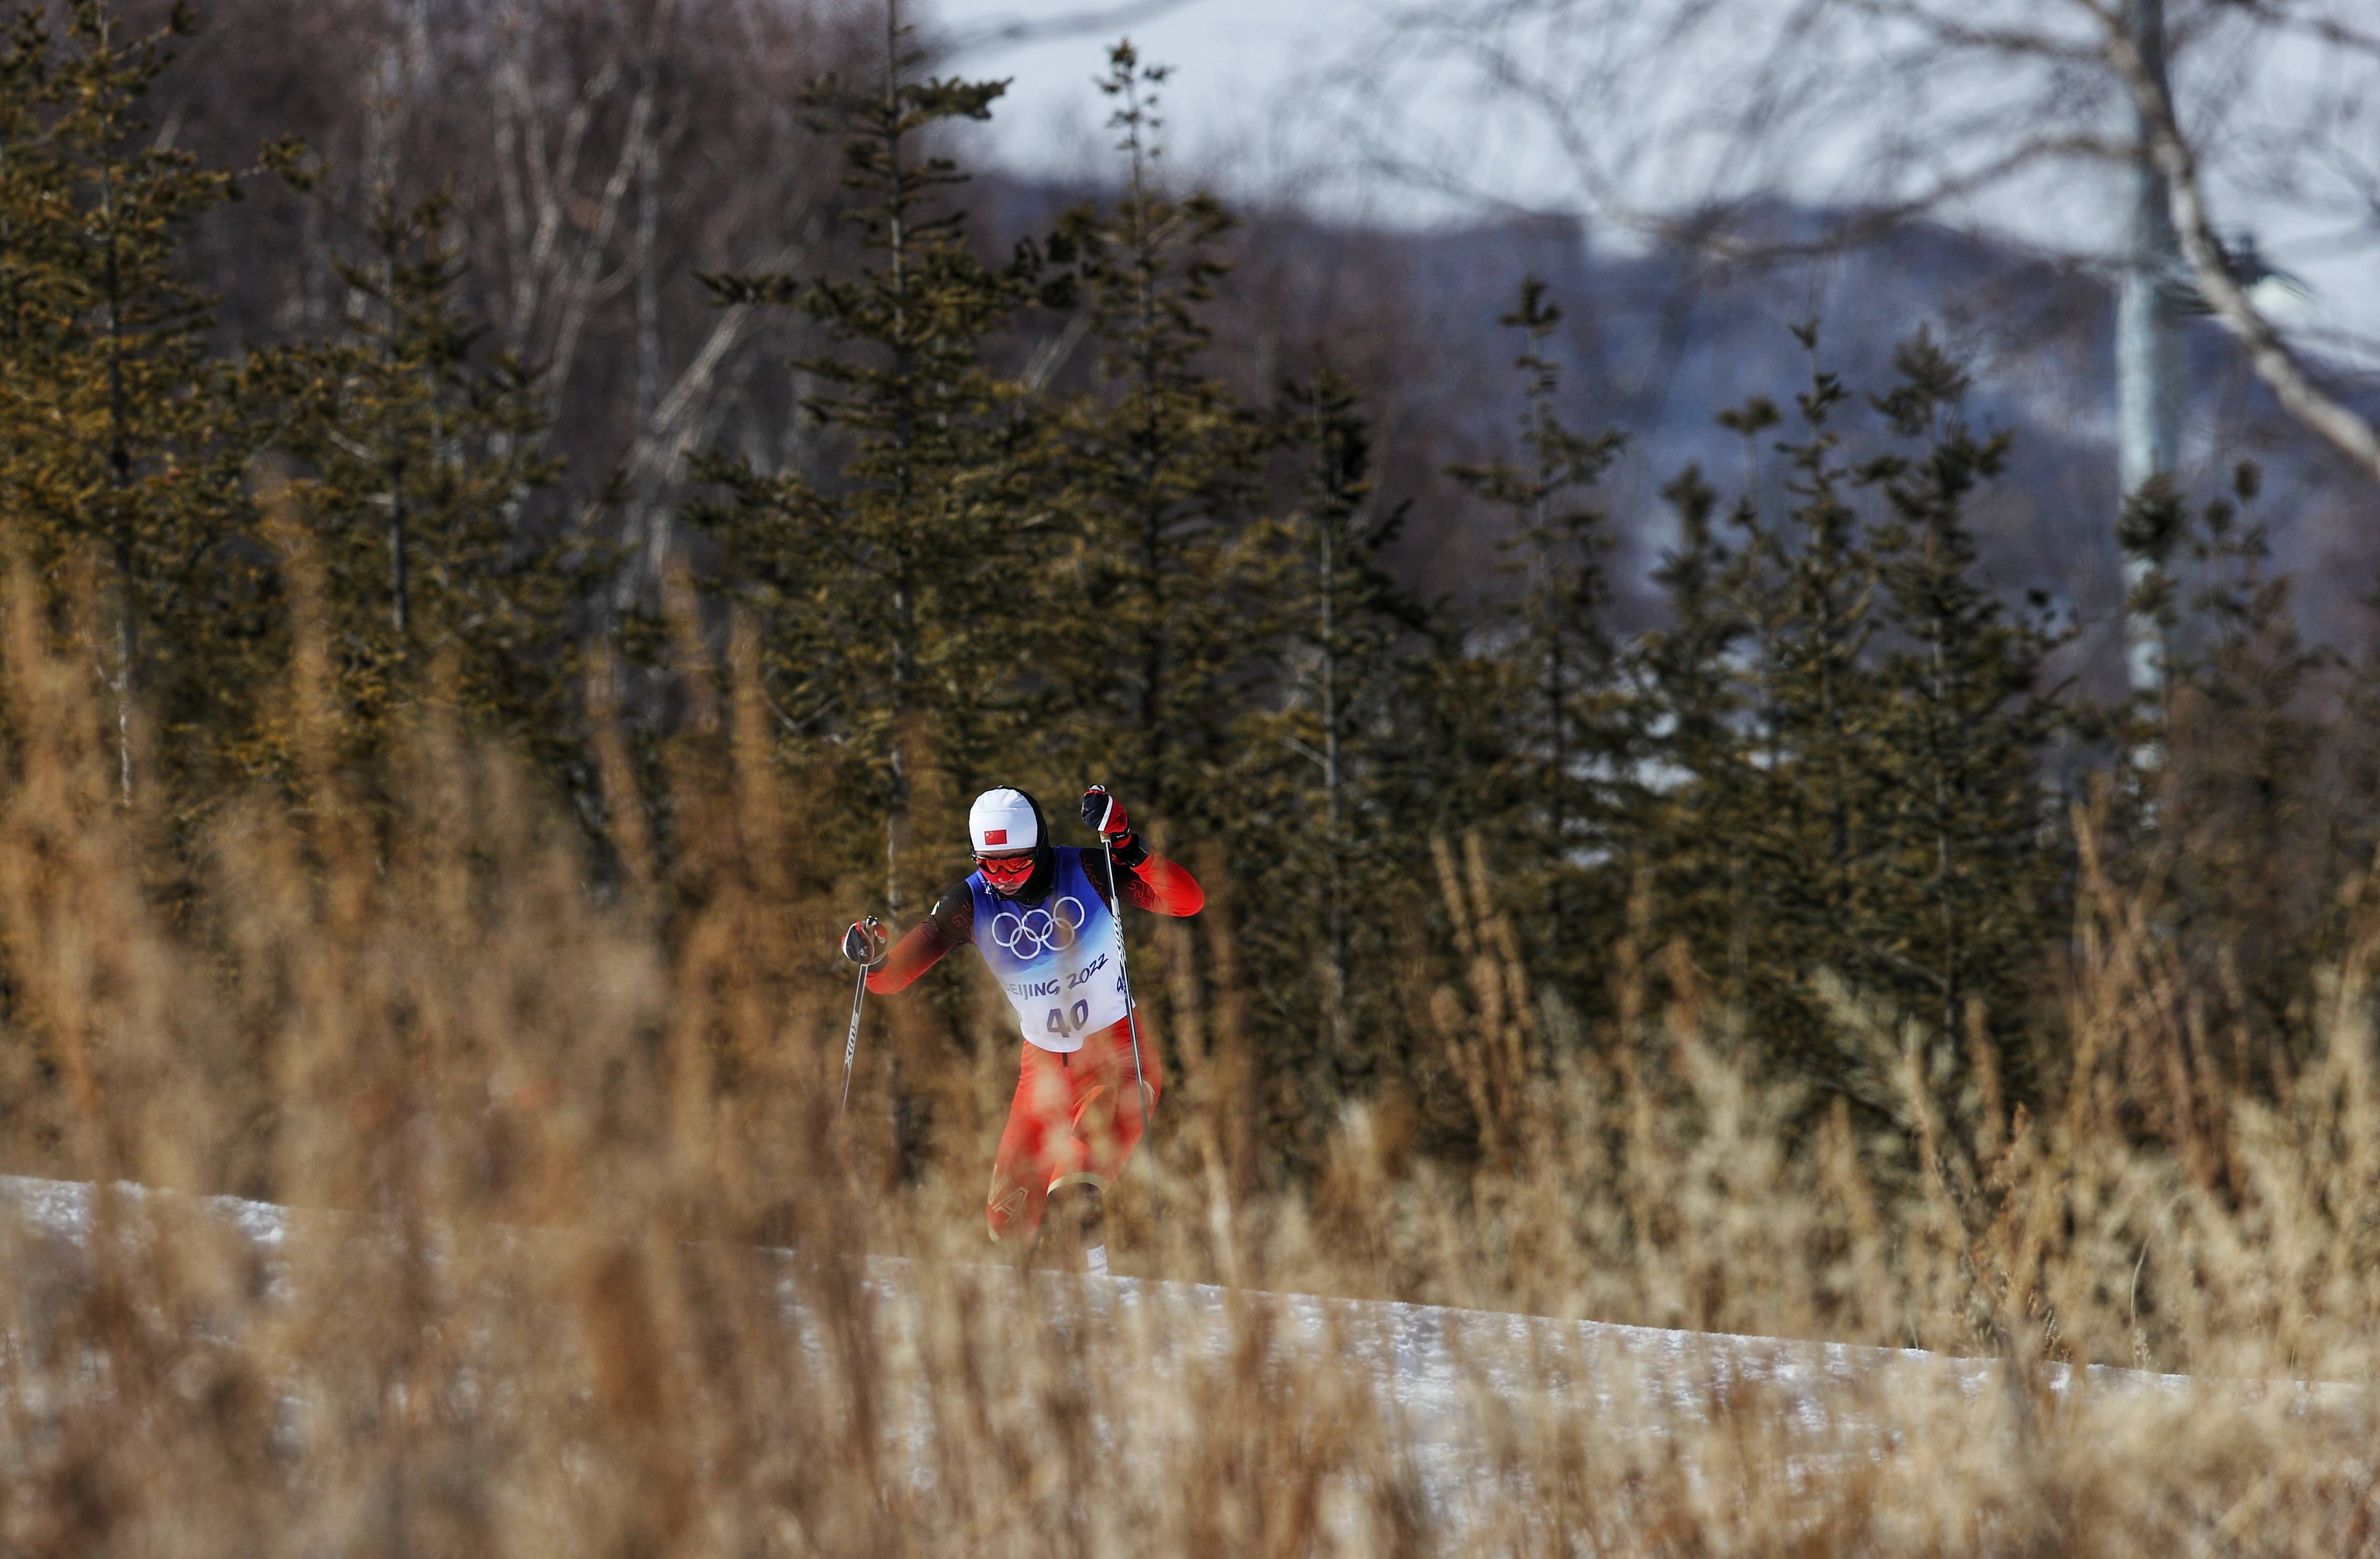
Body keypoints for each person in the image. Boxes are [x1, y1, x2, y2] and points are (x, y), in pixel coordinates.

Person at [841, 785, 1203, 1271]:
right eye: (990, 864)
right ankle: (1028, 1324)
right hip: (1043, 1075)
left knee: (1077, 1193)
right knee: (1006, 1221)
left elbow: (1186, 902)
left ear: (1040, 848)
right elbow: (890, 979)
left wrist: (1128, 845)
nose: (1004, 877)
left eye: (1016, 863)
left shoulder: (1091, 871)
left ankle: (1097, 1311)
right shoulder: (970, 903)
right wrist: (873, 956)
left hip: (1117, 1059)